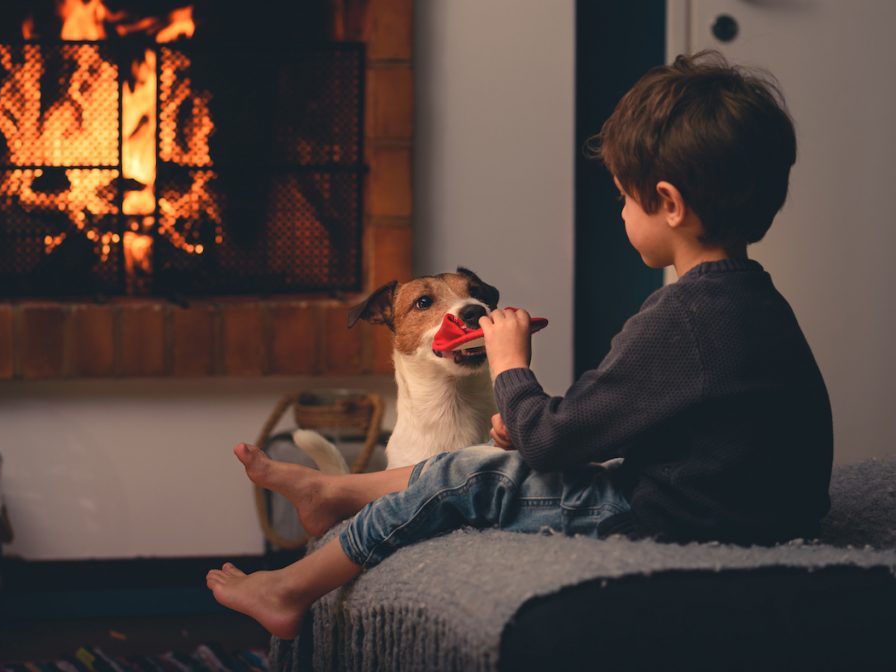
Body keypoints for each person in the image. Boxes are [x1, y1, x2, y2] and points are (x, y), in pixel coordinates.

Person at [206, 51, 833, 639]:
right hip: (750, 508)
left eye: (621, 196)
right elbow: (657, 422)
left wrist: (511, 369)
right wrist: (533, 423)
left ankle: (290, 589)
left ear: (666, 203)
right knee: (488, 463)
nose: (618, 212)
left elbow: (554, 442)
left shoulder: (679, 317)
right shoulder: (756, 304)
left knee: (462, 478)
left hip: (671, 519)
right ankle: (335, 492)